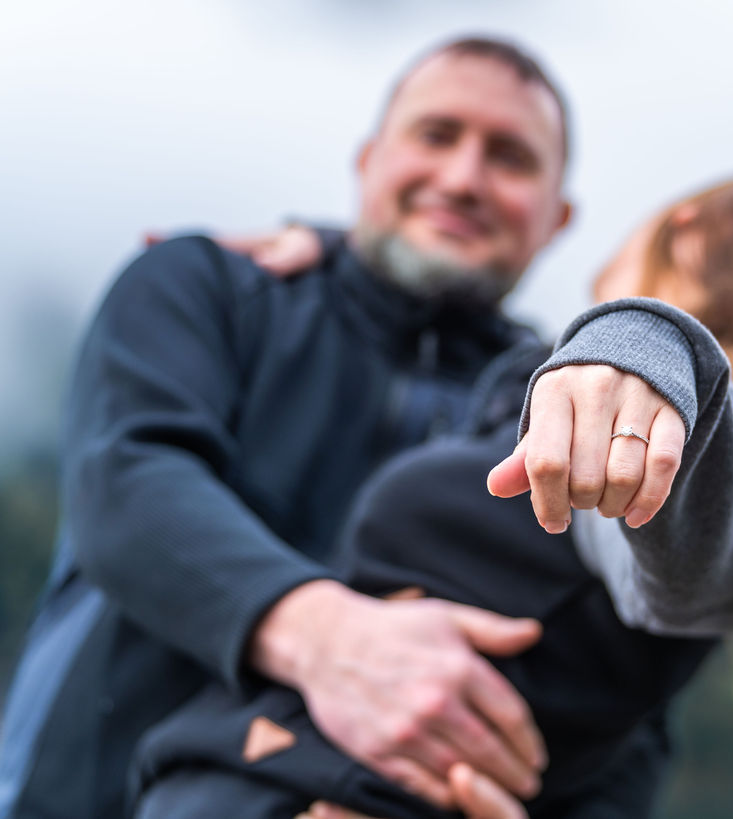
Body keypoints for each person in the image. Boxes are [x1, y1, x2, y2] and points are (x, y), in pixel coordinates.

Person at [0, 36, 681, 818]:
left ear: (558, 217)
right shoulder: (203, 287)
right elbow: (127, 481)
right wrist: (328, 638)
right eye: (436, 135)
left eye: (510, 158)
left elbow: (625, 689)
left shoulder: (548, 406)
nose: (462, 178)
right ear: (367, 161)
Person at [161, 170, 733, 819]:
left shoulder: (665, 465)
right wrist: (341, 258)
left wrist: (650, 349)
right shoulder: (549, 397)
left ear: (693, 233)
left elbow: (729, 559)